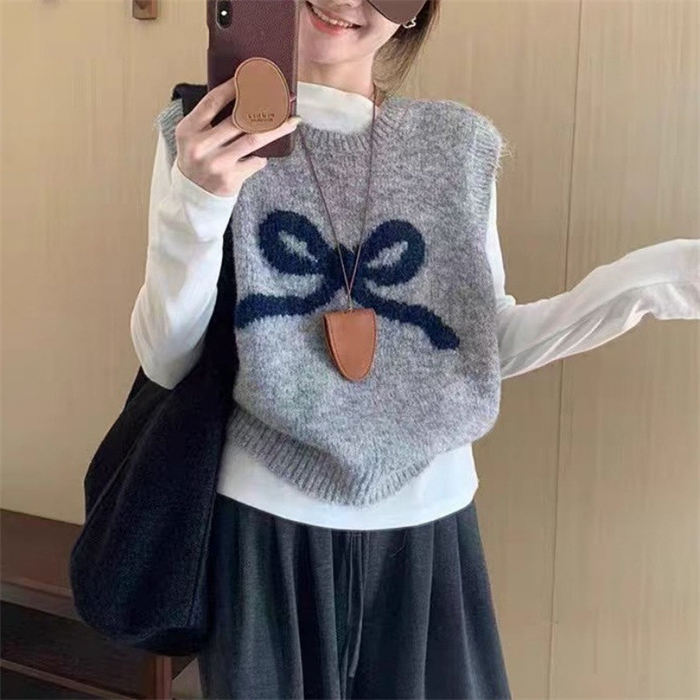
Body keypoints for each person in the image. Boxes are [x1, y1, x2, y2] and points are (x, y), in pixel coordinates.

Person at [131, 0, 700, 696]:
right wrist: (198, 201)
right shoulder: (203, 134)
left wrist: (654, 282)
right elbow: (167, 361)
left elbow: (479, 343)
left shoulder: (457, 146)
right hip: (262, 527)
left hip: (429, 524)